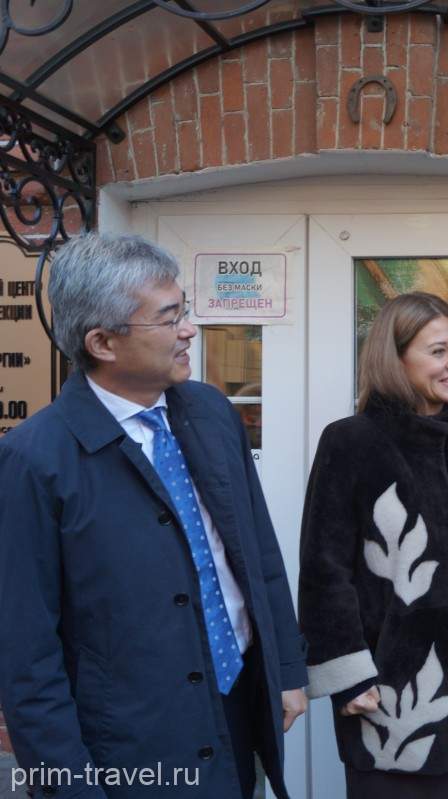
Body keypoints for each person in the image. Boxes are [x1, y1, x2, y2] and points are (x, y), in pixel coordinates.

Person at [0, 233, 308, 799]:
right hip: (133, 744)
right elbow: (26, 654)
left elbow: (257, 551)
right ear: (103, 342)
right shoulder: (35, 460)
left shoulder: (211, 411)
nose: (189, 330)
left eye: (183, 311)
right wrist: (69, 787)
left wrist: (286, 669)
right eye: (169, 319)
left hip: (239, 704)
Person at [298, 291, 448, 798]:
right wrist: (347, 674)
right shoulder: (351, 442)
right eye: (438, 351)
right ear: (396, 358)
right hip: (390, 696)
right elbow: (325, 570)